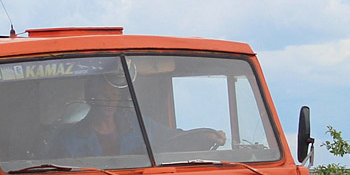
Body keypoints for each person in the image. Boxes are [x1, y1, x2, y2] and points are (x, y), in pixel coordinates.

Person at [51, 72, 225, 160]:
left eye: (115, 95)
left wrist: (204, 137)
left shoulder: (140, 125)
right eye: (104, 95)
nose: (110, 101)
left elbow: (172, 139)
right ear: (90, 97)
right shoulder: (69, 139)